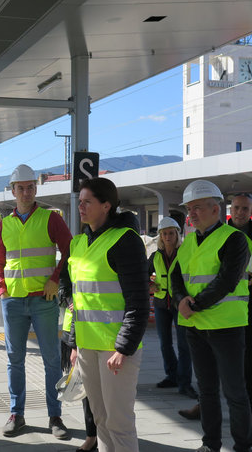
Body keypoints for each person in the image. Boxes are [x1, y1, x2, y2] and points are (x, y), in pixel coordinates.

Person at [179, 193, 252, 430]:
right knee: (209, 368)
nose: (240, 212)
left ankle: (250, 413)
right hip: (216, 312)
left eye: (245, 209)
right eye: (236, 208)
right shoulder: (214, 234)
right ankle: (203, 405)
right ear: (228, 210)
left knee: (250, 365)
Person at [59, 177, 149, 452]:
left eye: (88, 202)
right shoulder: (79, 243)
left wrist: (124, 349)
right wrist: (75, 343)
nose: (81, 207)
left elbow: (138, 302)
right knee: (100, 420)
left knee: (119, 422)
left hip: (115, 350)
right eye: (80, 201)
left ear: (107, 205)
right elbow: (80, 301)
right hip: (87, 347)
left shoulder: (125, 241)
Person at [170, 180, 252, 452]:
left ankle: (243, 447)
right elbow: (175, 276)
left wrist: (193, 305)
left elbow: (227, 280)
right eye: (188, 209)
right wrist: (181, 299)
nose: (191, 214)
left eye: (196, 208)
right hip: (195, 327)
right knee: (206, 391)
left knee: (235, 393)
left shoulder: (234, 239)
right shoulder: (188, 241)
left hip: (225, 326)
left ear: (215, 209)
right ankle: (211, 444)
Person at [0, 164, 72, 438]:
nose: (27, 192)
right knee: (15, 360)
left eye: (31, 187)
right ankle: (17, 414)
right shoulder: (5, 224)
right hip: (12, 301)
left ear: (36, 189)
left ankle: (55, 416)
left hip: (43, 300)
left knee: (51, 360)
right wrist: (1, 289)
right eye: (21, 188)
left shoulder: (51, 219)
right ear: (12, 191)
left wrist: (56, 279)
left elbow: (70, 250)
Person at [148, 217, 197, 399]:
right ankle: (172, 376)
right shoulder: (155, 256)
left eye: (171, 233)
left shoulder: (185, 254)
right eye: (164, 233)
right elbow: (142, 273)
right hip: (161, 304)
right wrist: (148, 285)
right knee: (165, 344)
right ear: (161, 236)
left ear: (177, 235)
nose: (168, 236)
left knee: (184, 344)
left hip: (180, 304)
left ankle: (185, 383)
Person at [60, 304, 97, 451]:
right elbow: (63, 287)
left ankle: (107, 436)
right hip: (79, 329)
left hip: (110, 332)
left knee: (110, 393)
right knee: (87, 390)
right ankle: (92, 437)